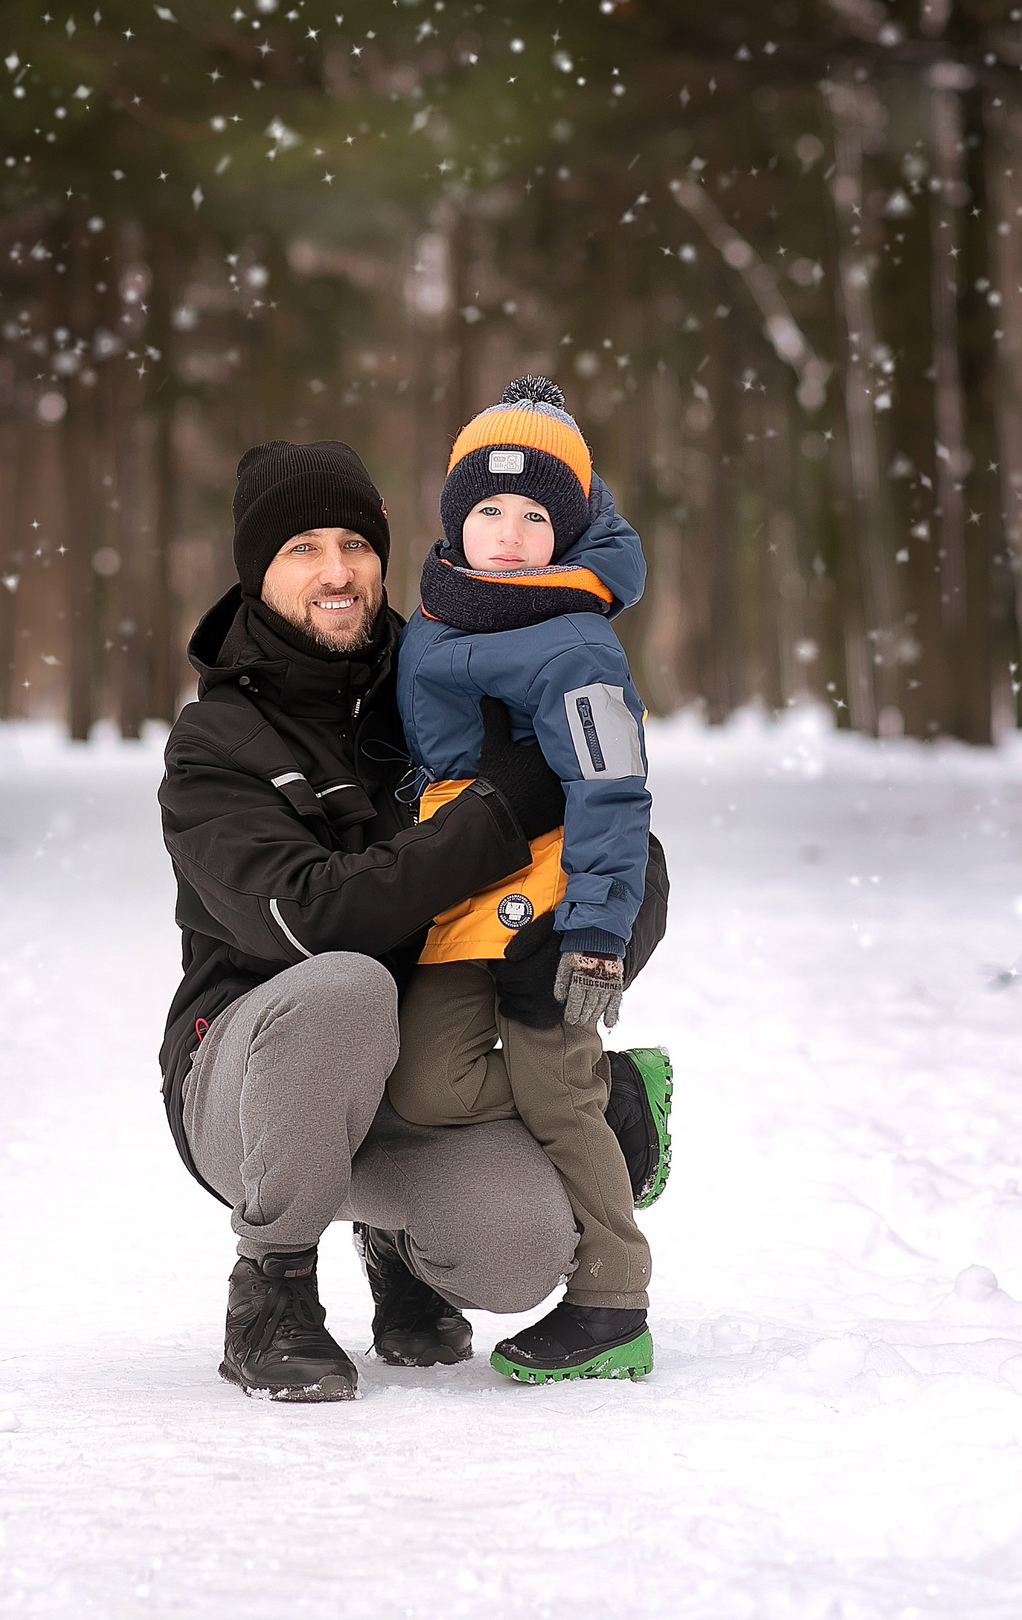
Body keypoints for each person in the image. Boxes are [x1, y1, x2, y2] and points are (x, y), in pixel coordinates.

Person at [158, 437, 666, 1403]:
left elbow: (624, 830)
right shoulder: (214, 745)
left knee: (519, 1250)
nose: (339, 570)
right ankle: (273, 1282)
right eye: (303, 547)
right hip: (249, 1074)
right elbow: (311, 921)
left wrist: (573, 944)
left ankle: (414, 1241)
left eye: (354, 541)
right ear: (258, 571)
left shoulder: (447, 665)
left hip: (416, 1066)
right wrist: (501, 818)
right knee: (344, 985)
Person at [388, 376, 672, 1384]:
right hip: (457, 886)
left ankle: (611, 1298)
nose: (507, 534)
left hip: (549, 898)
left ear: (571, 528)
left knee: (556, 1093)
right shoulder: (437, 612)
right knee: (424, 1083)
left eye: (535, 515)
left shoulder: (577, 642)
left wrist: (598, 925)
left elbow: (612, 783)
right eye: (488, 512)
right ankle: (623, 1090)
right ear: (457, 520)